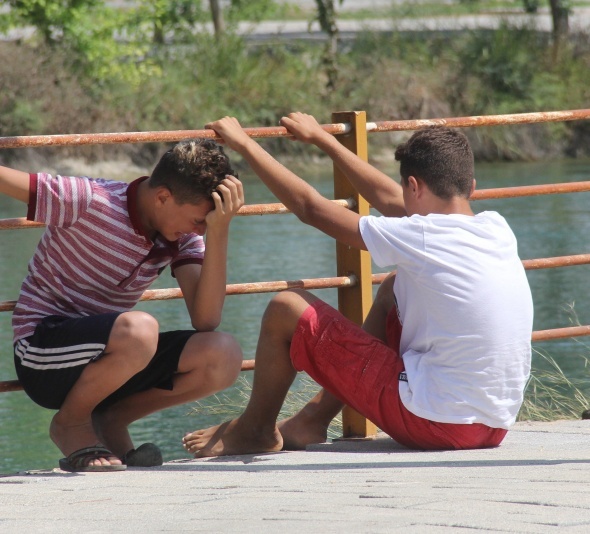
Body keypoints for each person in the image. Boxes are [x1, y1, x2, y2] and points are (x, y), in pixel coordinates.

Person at [182, 113, 533, 457]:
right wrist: (325, 140)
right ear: (470, 187)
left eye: (405, 190)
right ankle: (312, 420)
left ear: (414, 185)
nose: (401, 202)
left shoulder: (422, 236)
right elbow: (391, 201)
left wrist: (244, 143)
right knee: (395, 287)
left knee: (285, 308)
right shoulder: (495, 227)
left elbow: (311, 208)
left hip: (438, 424)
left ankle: (255, 430)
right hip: (493, 425)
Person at [0, 138, 245, 471]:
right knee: (140, 330)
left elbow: (206, 319)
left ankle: (111, 420)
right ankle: (71, 423)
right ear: (163, 197)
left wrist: (219, 231)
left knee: (223, 353)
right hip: (44, 353)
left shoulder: (182, 233)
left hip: (113, 361)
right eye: (199, 221)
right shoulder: (89, 201)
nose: (199, 229)